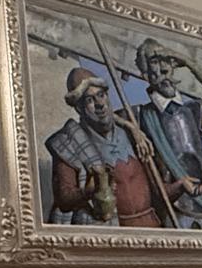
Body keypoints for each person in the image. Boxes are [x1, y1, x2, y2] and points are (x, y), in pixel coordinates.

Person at [45, 67, 162, 227]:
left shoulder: (133, 132)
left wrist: (182, 185)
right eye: (90, 100)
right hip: (111, 234)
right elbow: (63, 200)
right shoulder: (68, 143)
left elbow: (157, 189)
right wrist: (89, 191)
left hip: (151, 227)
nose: (100, 104)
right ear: (79, 108)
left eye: (101, 95)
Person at [135, 38, 202, 226]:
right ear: (145, 75)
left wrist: (189, 62)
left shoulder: (192, 111)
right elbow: (107, 119)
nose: (163, 69)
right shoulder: (141, 115)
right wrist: (134, 129)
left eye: (166, 60)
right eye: (155, 62)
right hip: (173, 213)